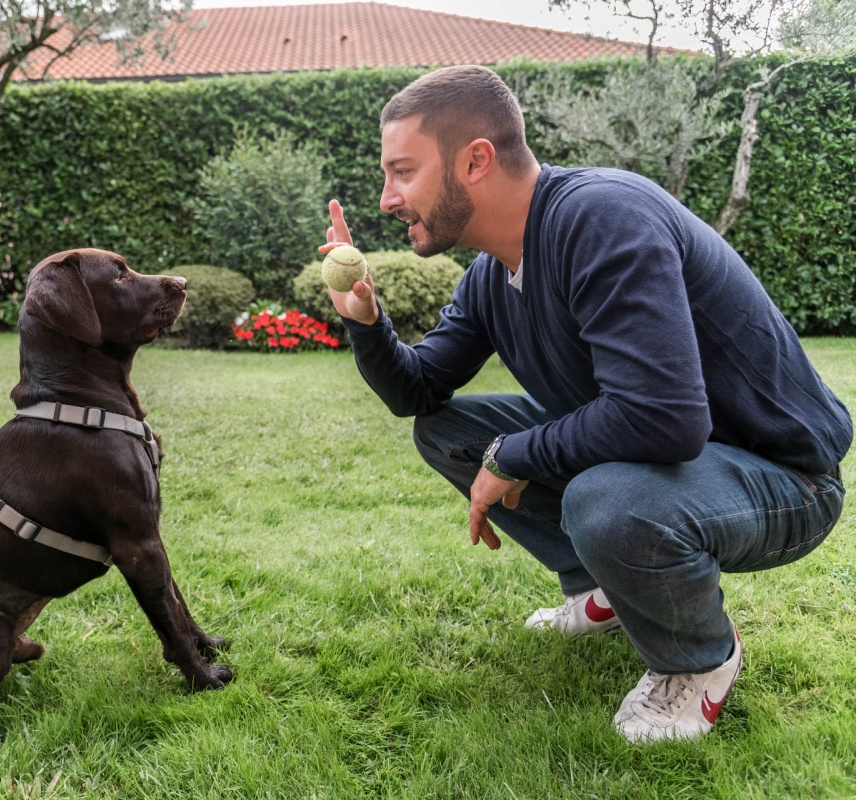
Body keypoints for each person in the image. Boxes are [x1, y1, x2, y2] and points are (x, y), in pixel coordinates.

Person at [320, 64, 850, 743]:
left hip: (785, 478)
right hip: (667, 460)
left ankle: (699, 662)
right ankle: (597, 591)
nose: (388, 197)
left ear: (476, 160)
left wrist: (514, 453)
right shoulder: (490, 275)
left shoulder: (601, 217)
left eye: (402, 172)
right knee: (449, 430)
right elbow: (416, 393)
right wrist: (365, 318)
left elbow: (666, 415)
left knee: (603, 498)